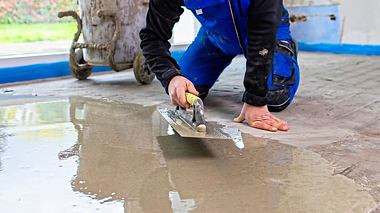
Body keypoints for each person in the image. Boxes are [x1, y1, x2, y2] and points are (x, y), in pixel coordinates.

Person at [140, 0, 300, 132]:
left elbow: (264, 28)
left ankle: (283, 48)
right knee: (186, 89)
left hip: (267, 31)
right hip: (217, 37)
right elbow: (153, 37)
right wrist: (171, 77)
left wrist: (255, 98)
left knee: (276, 97)